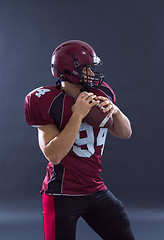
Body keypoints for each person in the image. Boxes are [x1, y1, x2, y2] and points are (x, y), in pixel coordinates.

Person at [24, 40, 135, 240]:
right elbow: (54, 155)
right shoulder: (45, 100)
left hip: (95, 189)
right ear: (69, 71)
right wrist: (77, 115)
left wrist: (116, 111)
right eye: (86, 69)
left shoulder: (101, 93)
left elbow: (125, 133)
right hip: (61, 195)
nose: (92, 75)